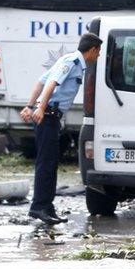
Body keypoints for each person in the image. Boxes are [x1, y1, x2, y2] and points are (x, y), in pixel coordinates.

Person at [20, 32, 102, 224]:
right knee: (46, 163)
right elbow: (50, 83)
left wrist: (29, 106)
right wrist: (39, 108)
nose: (98, 56)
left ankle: (47, 207)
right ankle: (39, 207)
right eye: (98, 52)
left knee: (50, 162)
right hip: (48, 116)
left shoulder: (70, 61)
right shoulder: (72, 62)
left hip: (50, 116)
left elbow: (41, 80)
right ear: (92, 50)